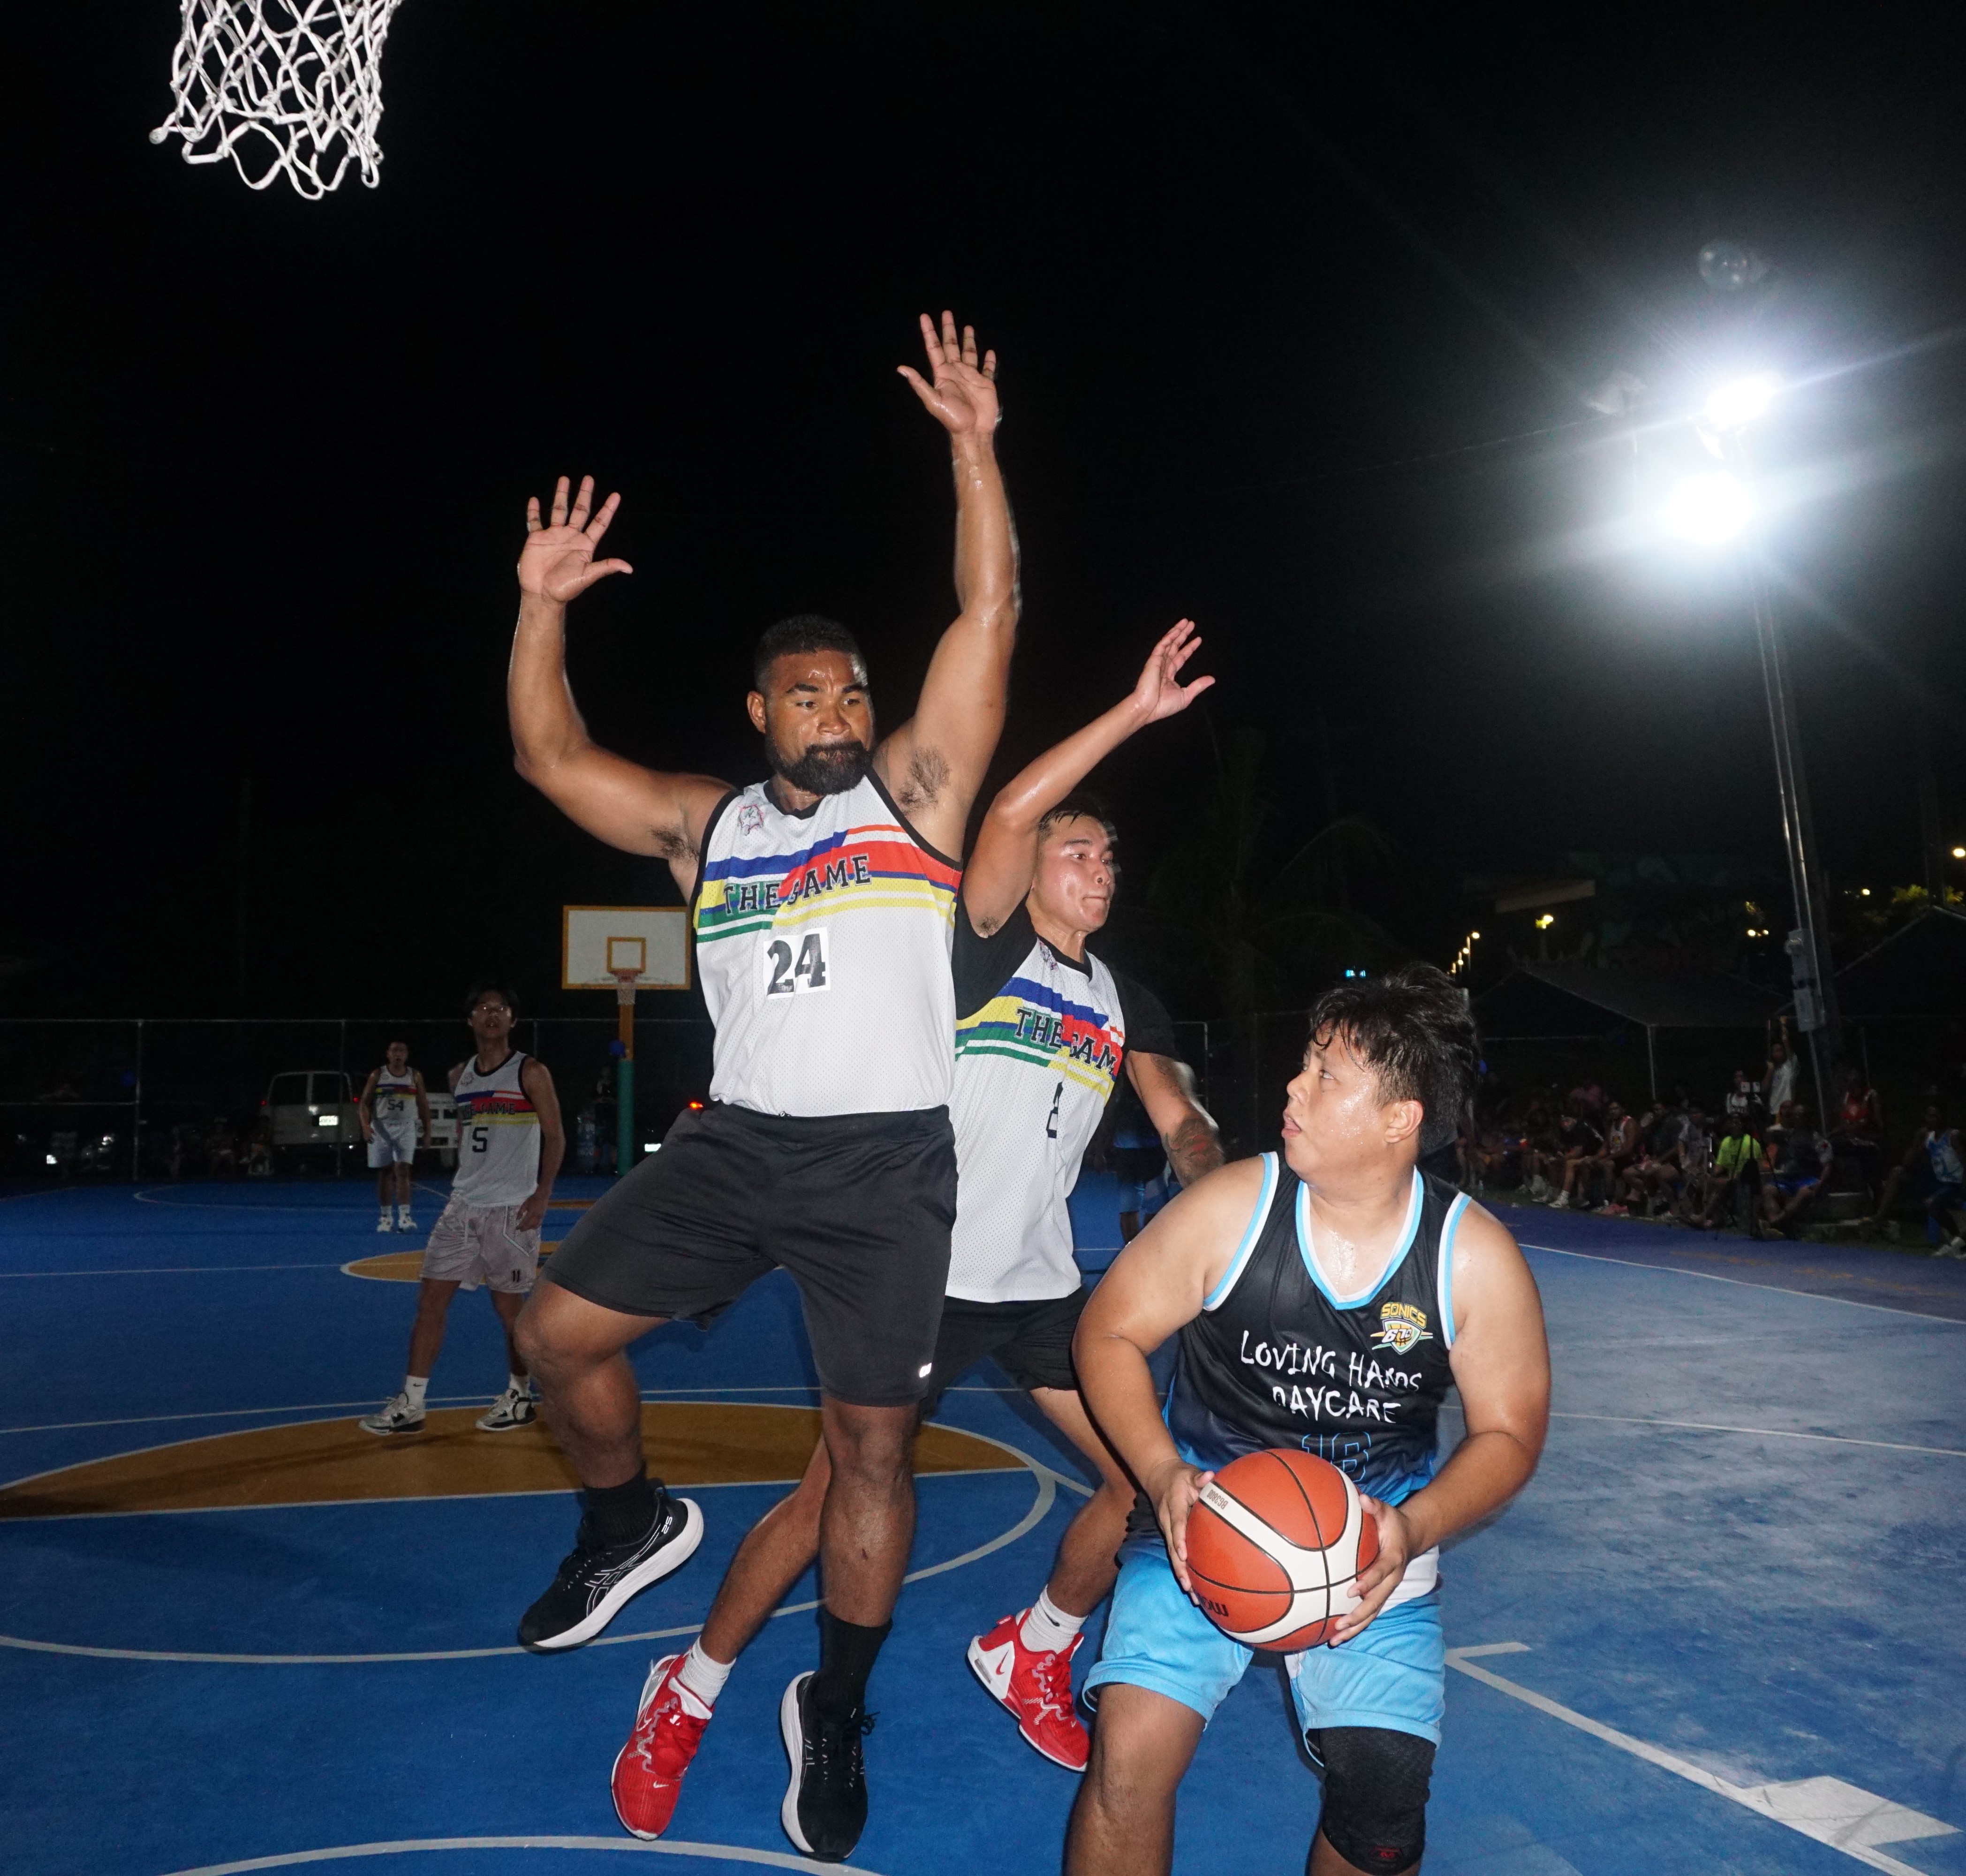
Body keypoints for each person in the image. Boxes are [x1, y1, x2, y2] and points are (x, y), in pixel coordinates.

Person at [507, 312, 1017, 1859]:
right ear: (759, 713)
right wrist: (539, 609)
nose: (839, 710)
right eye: (808, 694)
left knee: (869, 1454)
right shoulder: (702, 826)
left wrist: (974, 447)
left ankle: (837, 1708)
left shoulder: (918, 800)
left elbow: (988, 605)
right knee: (550, 1331)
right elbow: (548, 756)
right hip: (737, 1152)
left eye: (853, 690)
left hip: (882, 1171)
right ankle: (628, 1518)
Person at [605, 622, 1225, 1842]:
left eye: (1111, 855)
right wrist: (1132, 713)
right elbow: (999, 819)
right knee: (826, 1507)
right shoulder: (975, 948)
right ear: (1039, 862)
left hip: (1041, 1286)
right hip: (919, 1272)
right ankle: (695, 1687)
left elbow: (1180, 1114)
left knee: (1145, 1489)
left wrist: (1219, 1173)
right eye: (1081, 849)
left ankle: (1032, 1649)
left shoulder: (1119, 997)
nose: (1102, 869)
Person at [1064, 965, 1550, 1876]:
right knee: (1128, 1757)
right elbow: (1108, 1331)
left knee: (1382, 1807)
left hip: (1373, 1547)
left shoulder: (1469, 1256)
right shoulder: (1233, 1207)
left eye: (1326, 1074)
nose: (1293, 1085)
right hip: (1198, 1514)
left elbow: (1509, 1433)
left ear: (1398, 1117)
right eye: (1304, 1063)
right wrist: (1162, 1472)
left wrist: (1411, 1526)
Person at [359, 984, 563, 1436]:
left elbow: (556, 1136)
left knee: (511, 1311)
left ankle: (519, 1395)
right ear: (470, 1020)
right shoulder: (459, 1077)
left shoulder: (530, 1072)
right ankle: (411, 1401)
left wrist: (542, 1194)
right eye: (483, 1009)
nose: (492, 1015)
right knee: (430, 1302)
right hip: (461, 1207)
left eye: (501, 1008)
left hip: (511, 1211)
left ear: (513, 1020)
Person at [1869, 1103, 1966, 1255]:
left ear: (1944, 1117)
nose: (1932, 1119)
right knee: (1898, 1173)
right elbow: (1907, 1163)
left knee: (1932, 1204)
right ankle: (1880, 1218)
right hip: (1938, 1182)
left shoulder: (1954, 1136)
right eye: (1929, 1116)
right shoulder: (1928, 1137)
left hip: (1955, 1183)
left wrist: (1962, 1192)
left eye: (1936, 1116)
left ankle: (1959, 1242)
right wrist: (1917, 1141)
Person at [359, 1040, 432, 1233]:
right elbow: (364, 1103)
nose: (398, 1054)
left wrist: (427, 1132)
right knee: (385, 1172)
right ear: (388, 1054)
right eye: (394, 1051)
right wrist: (365, 1126)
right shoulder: (378, 1075)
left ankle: (405, 1217)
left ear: (407, 1055)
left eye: (402, 1051)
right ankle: (385, 1217)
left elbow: (423, 1104)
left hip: (406, 1127)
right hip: (381, 1126)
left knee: (403, 1170)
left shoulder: (414, 1076)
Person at [1760, 1102, 1829, 1239]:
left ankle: (1773, 1224)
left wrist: (1819, 1185)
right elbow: (1767, 1134)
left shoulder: (1818, 1140)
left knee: (1804, 1193)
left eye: (1800, 1116)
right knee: (1768, 1190)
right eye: (1794, 1116)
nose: (1797, 1118)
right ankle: (1777, 1225)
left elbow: (1827, 1166)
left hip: (1808, 1178)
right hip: (1788, 1180)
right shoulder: (1786, 1136)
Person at [1686, 1112, 1762, 1234]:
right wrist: (1709, 1174)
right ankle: (1705, 1215)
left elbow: (1748, 1170)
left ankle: (1704, 1216)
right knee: (1704, 1181)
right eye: (1732, 1123)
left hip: (1744, 1178)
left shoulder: (1750, 1144)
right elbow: (1721, 1166)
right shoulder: (1727, 1141)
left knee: (1720, 1185)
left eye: (1738, 1123)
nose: (1735, 1126)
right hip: (1729, 1176)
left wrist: (1722, 1179)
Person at [1829, 1066, 1885, 1204]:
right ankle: (1837, 1186)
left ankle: (1877, 1200)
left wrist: (1865, 1128)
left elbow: (1879, 1124)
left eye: (1854, 1081)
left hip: (1867, 1140)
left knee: (1868, 1160)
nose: (1851, 1085)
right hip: (1851, 1139)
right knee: (1827, 1146)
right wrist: (1829, 1135)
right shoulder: (1848, 1096)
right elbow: (1843, 1124)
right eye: (1848, 1082)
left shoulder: (1871, 1096)